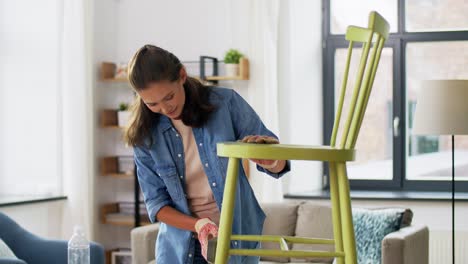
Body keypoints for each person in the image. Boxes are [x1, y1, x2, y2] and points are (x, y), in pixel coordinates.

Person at [124, 44, 290, 264]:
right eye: (152, 103)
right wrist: (198, 224)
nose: (164, 108)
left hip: (236, 235)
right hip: (182, 244)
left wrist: (269, 159)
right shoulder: (145, 134)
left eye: (169, 97)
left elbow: (279, 163)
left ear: (182, 75)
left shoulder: (225, 103)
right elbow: (157, 204)